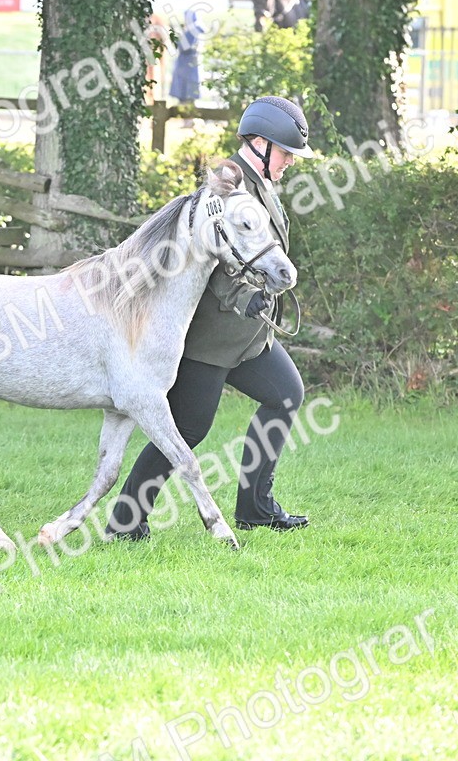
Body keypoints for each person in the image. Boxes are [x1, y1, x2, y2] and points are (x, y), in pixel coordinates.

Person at [107, 96, 314, 541]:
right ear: (259, 144)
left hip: (250, 336)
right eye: (286, 152)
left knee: (285, 395)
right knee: (189, 427)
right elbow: (208, 257)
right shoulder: (226, 185)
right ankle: (125, 520)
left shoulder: (263, 186)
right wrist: (243, 297)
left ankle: (256, 509)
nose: (290, 161)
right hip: (212, 335)